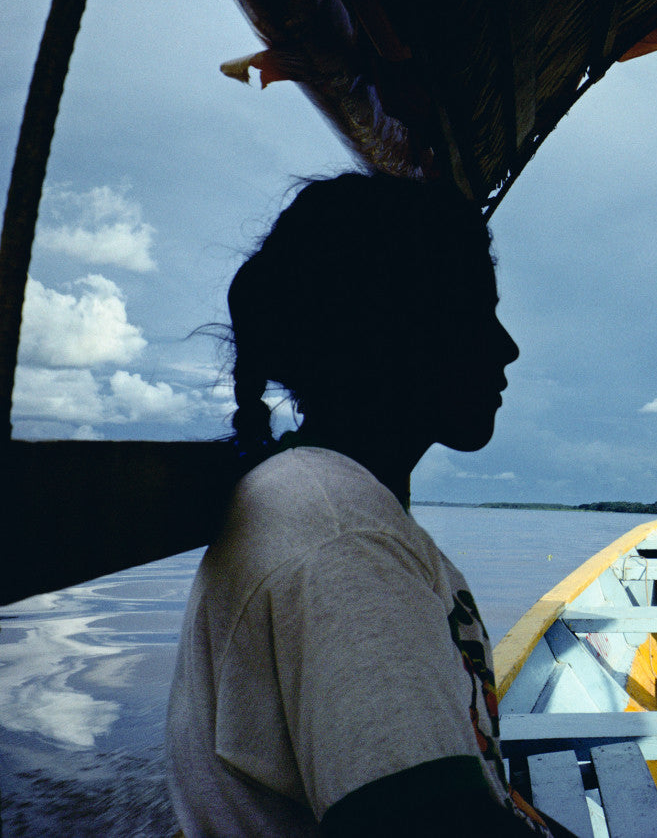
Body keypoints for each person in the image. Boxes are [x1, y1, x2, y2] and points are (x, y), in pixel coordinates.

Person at [167, 173, 551, 836]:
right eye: (477, 313)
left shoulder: (328, 501)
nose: (506, 347)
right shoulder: (341, 543)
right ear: (395, 331)